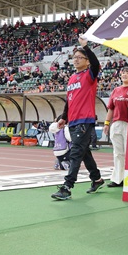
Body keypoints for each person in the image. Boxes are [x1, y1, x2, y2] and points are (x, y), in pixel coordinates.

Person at [51, 35, 104, 200]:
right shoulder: (72, 78)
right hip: (73, 121)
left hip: (84, 120)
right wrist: (64, 117)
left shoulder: (90, 74)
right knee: (84, 152)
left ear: (87, 61)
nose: (76, 60)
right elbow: (69, 100)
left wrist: (86, 47)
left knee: (75, 153)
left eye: (80, 57)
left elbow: (97, 64)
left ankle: (67, 186)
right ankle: (97, 179)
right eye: (74, 58)